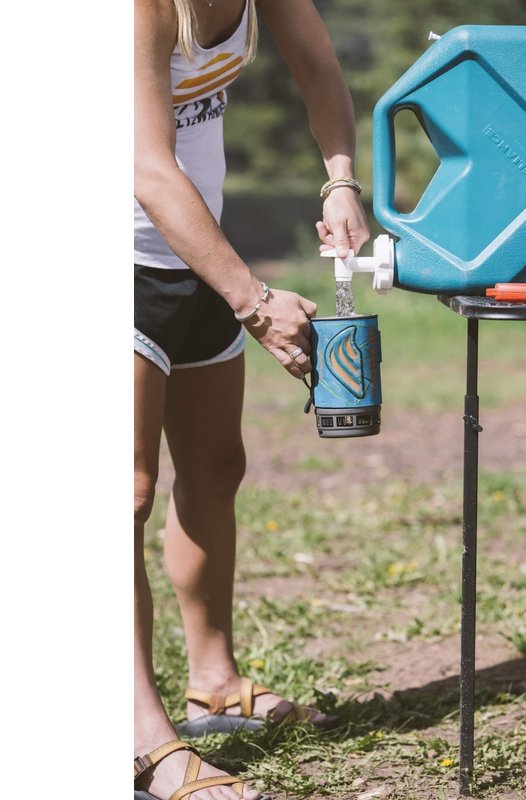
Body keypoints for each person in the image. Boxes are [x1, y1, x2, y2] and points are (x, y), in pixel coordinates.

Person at [134, 0, 370, 797]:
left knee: (214, 469)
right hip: (122, 254)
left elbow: (320, 69)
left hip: (199, 249)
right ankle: (140, 740)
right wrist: (254, 300)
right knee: (125, 491)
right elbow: (147, 167)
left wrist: (341, 181)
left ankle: (214, 684)